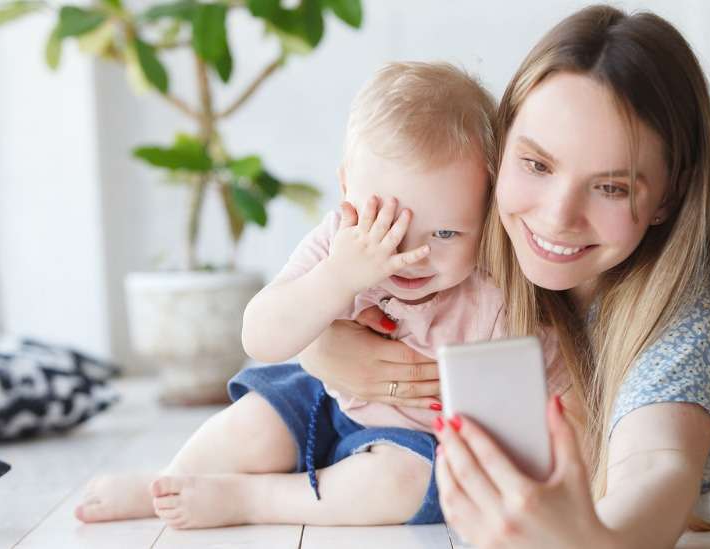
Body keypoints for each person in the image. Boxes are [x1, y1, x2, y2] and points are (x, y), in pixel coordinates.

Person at [298, 5, 710, 548]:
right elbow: (312, 290)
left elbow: (658, 466)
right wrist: (316, 346)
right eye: (537, 165)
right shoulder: (459, 234)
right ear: (497, 149)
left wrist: (598, 540)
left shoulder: (677, 319)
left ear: (669, 195)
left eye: (611, 187)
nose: (557, 217)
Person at [74, 61, 549, 528]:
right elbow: (259, 337)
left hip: (412, 441)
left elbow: (531, 396)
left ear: (488, 210)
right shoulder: (335, 240)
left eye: (446, 233)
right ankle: (168, 481)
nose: (412, 255)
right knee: (257, 421)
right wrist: (339, 277)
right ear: (346, 189)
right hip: (322, 396)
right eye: (385, 227)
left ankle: (254, 499)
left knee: (404, 484)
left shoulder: (497, 280)